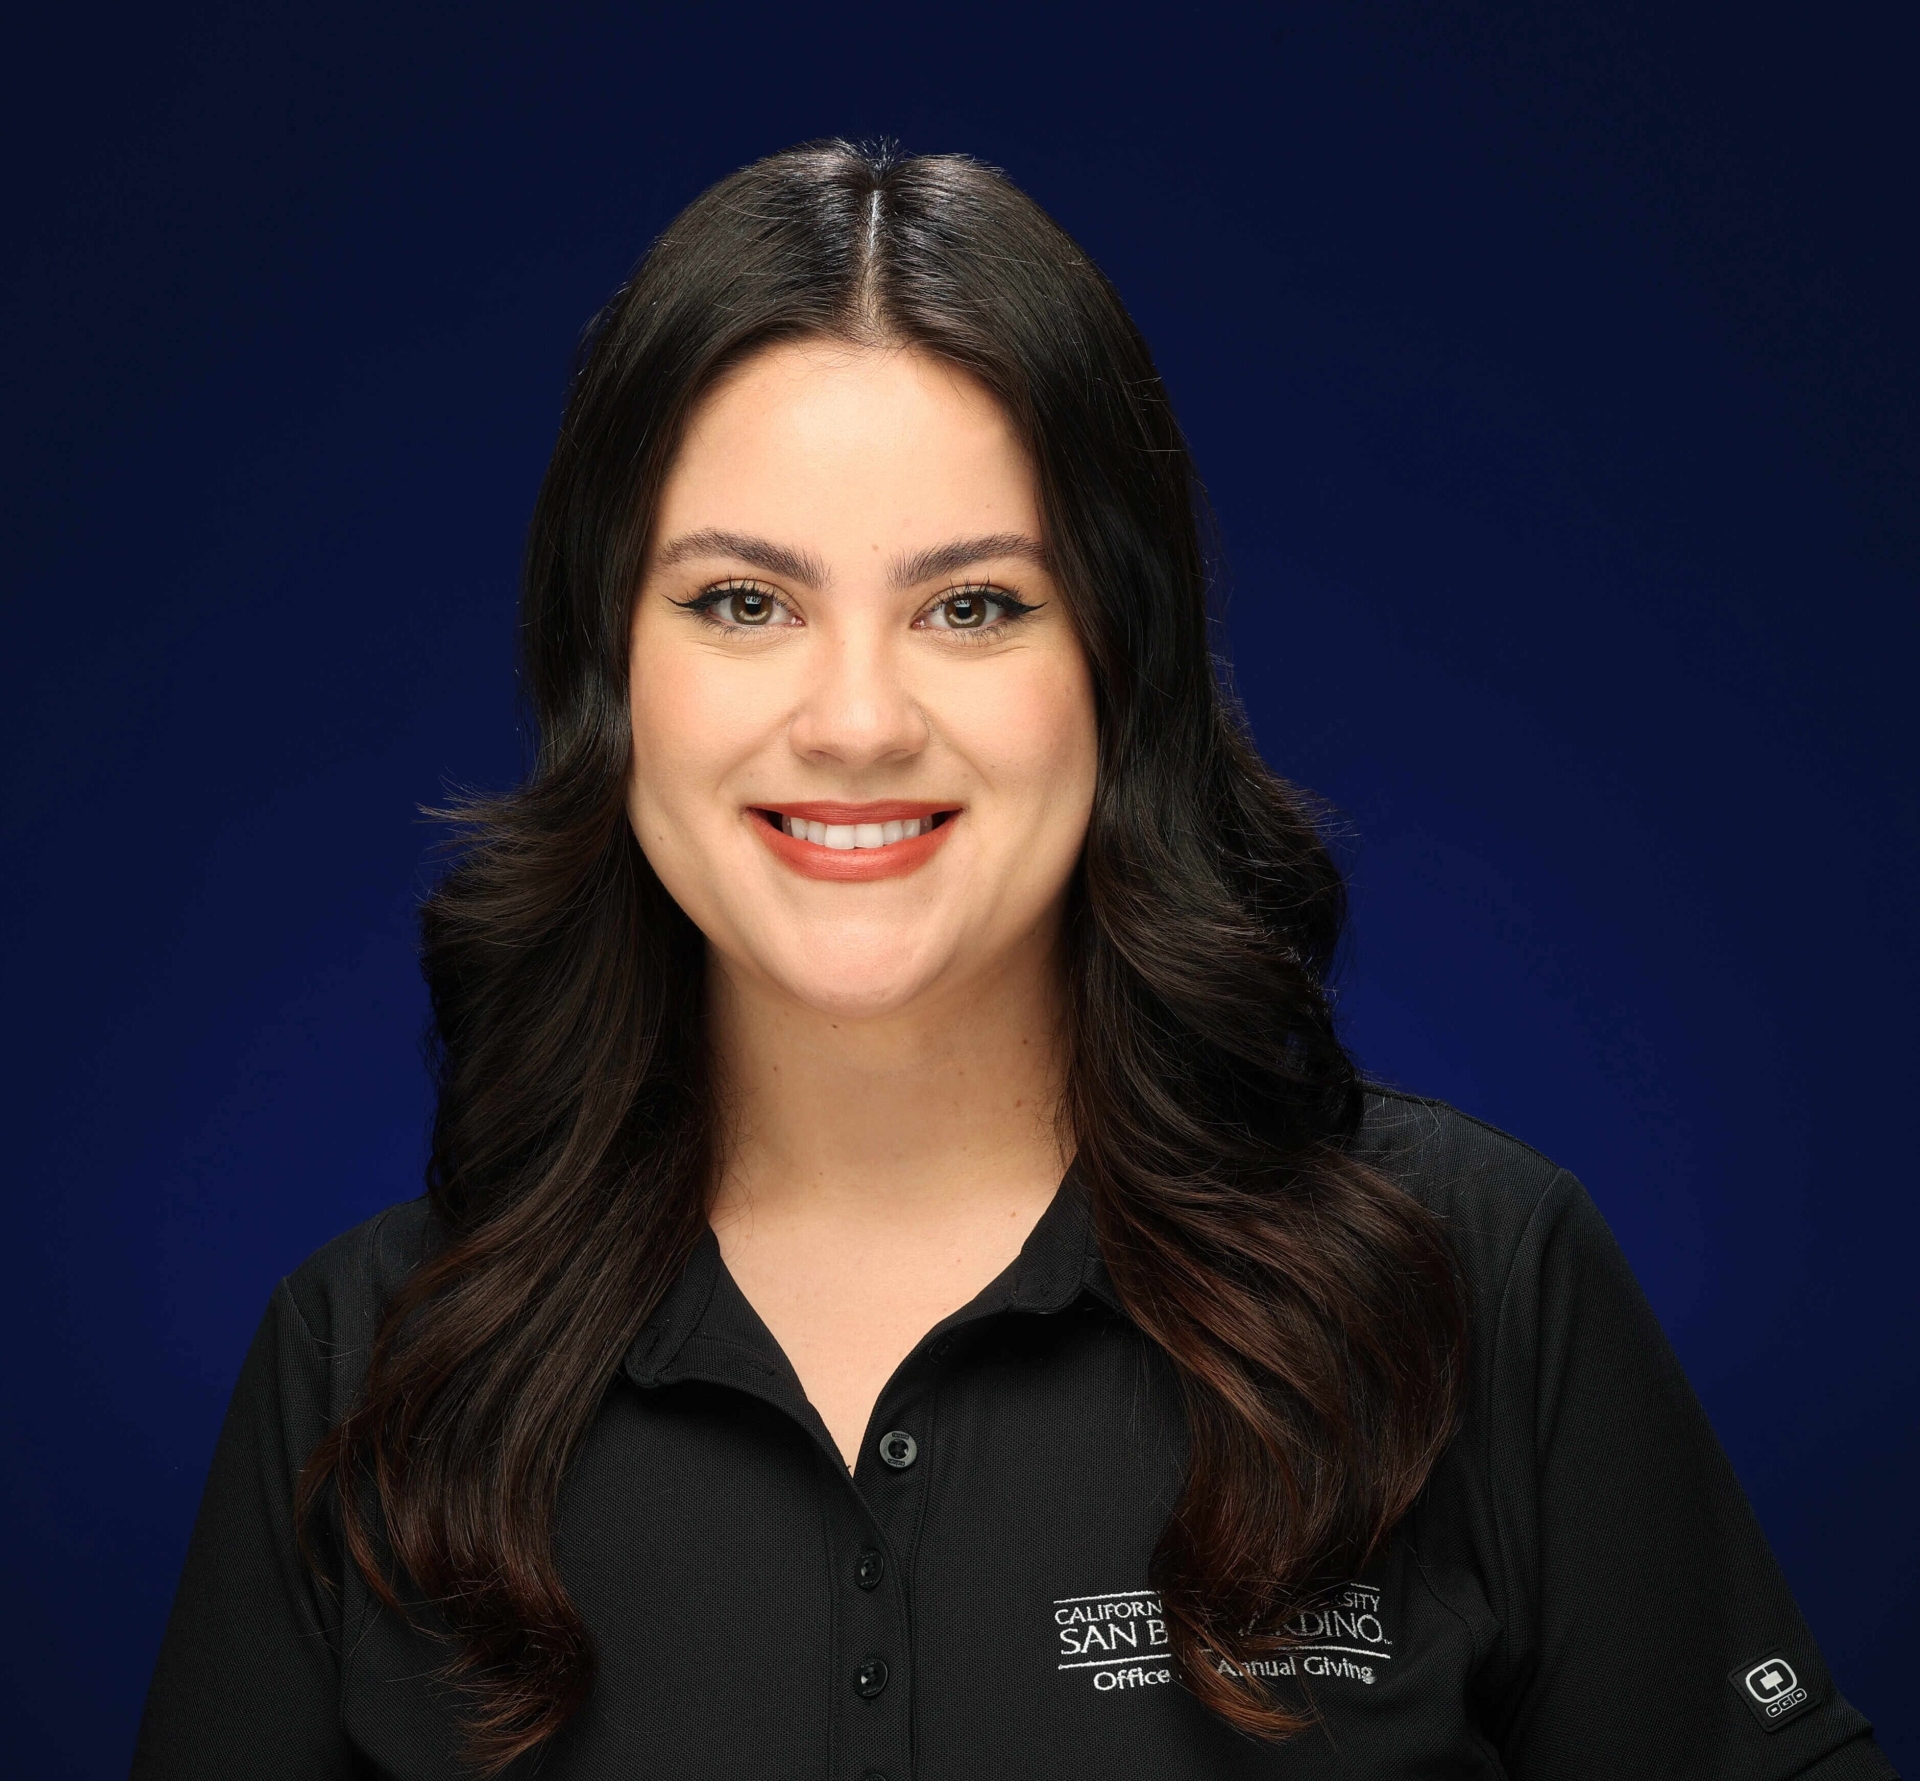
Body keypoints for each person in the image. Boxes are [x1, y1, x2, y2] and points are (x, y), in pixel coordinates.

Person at [132, 142, 1893, 1781]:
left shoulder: (1474, 1287)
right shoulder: (364, 1366)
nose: (856, 719)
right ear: (607, 671)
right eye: (744, 601)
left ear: (1120, 667)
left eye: (971, 604)